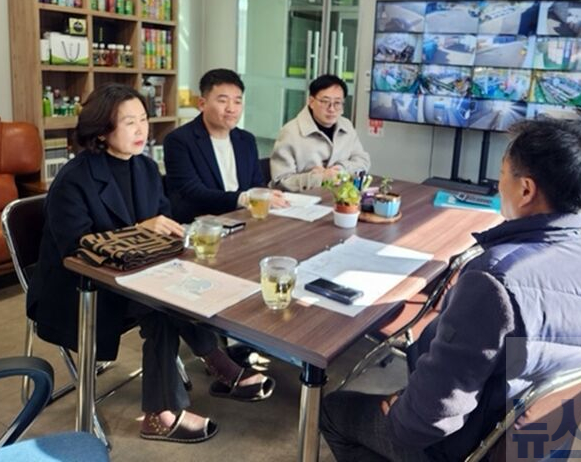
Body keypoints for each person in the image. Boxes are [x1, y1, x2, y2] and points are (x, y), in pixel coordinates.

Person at [320, 119, 581, 461]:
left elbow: (429, 419)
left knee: (334, 412)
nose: (498, 184)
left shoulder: (495, 281)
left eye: (502, 174)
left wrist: (404, 415)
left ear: (526, 190)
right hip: (542, 442)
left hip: (469, 445)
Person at [27, 84, 274, 445]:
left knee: (186, 289)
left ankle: (214, 367)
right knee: (160, 307)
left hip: (135, 277)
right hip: (78, 291)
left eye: (143, 119)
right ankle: (163, 411)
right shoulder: (74, 178)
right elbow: (76, 250)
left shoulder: (144, 167)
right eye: (129, 122)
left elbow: (163, 220)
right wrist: (140, 230)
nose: (141, 130)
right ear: (102, 130)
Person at [164, 69, 288, 223]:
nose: (231, 109)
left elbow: (256, 184)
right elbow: (193, 193)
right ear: (202, 104)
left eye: (237, 101)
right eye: (223, 101)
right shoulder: (179, 140)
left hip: (244, 220)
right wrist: (243, 199)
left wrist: (266, 195)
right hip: (202, 226)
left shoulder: (246, 140)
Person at [270, 74, 370, 192]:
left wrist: (340, 170)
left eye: (337, 103)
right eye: (325, 101)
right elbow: (280, 182)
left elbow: (363, 160)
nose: (331, 109)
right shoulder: (290, 132)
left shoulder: (346, 125)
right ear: (311, 102)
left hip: (340, 196)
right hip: (305, 199)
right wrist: (319, 178)